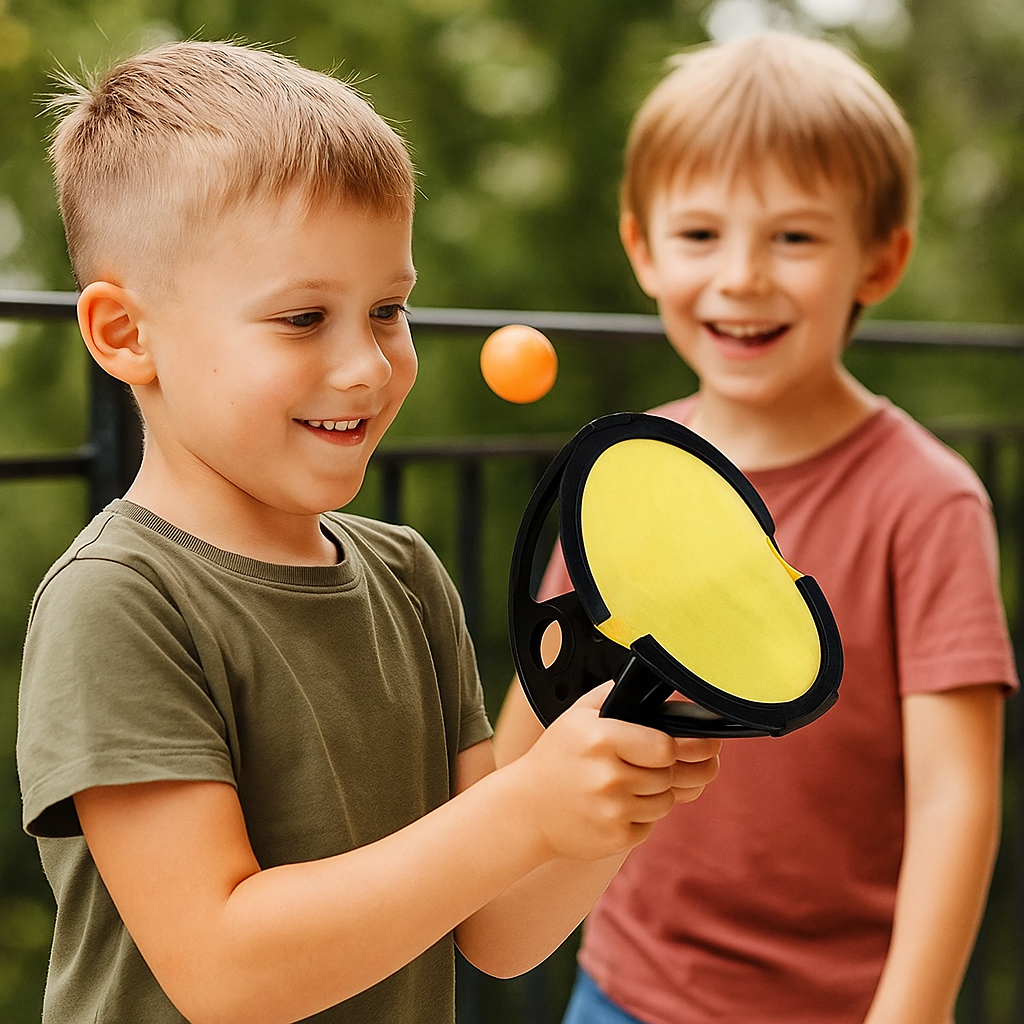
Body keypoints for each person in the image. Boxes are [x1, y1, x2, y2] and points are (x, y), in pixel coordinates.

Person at [15, 40, 723, 1024]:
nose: (367, 366)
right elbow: (226, 970)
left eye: (388, 308)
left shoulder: (406, 575)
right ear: (126, 335)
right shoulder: (120, 601)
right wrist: (523, 807)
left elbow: (499, 930)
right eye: (304, 317)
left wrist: (605, 792)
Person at [494, 31, 1018, 1024]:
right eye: (698, 235)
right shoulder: (626, 477)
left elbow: (956, 800)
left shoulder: (928, 499)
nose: (740, 275)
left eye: (793, 237)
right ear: (641, 249)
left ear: (881, 258)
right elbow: (534, 723)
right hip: (623, 990)